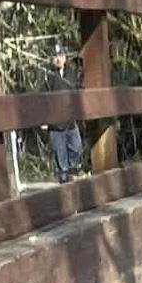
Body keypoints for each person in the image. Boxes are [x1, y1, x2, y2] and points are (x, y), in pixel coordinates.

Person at [41, 40, 84, 184]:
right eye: (55, 56)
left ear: (65, 57)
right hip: (55, 124)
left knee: (76, 148)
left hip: (70, 121)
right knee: (60, 159)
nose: (58, 59)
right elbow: (41, 99)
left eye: (60, 55)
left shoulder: (72, 74)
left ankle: (73, 172)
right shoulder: (48, 76)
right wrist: (43, 119)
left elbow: (78, 92)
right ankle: (64, 182)